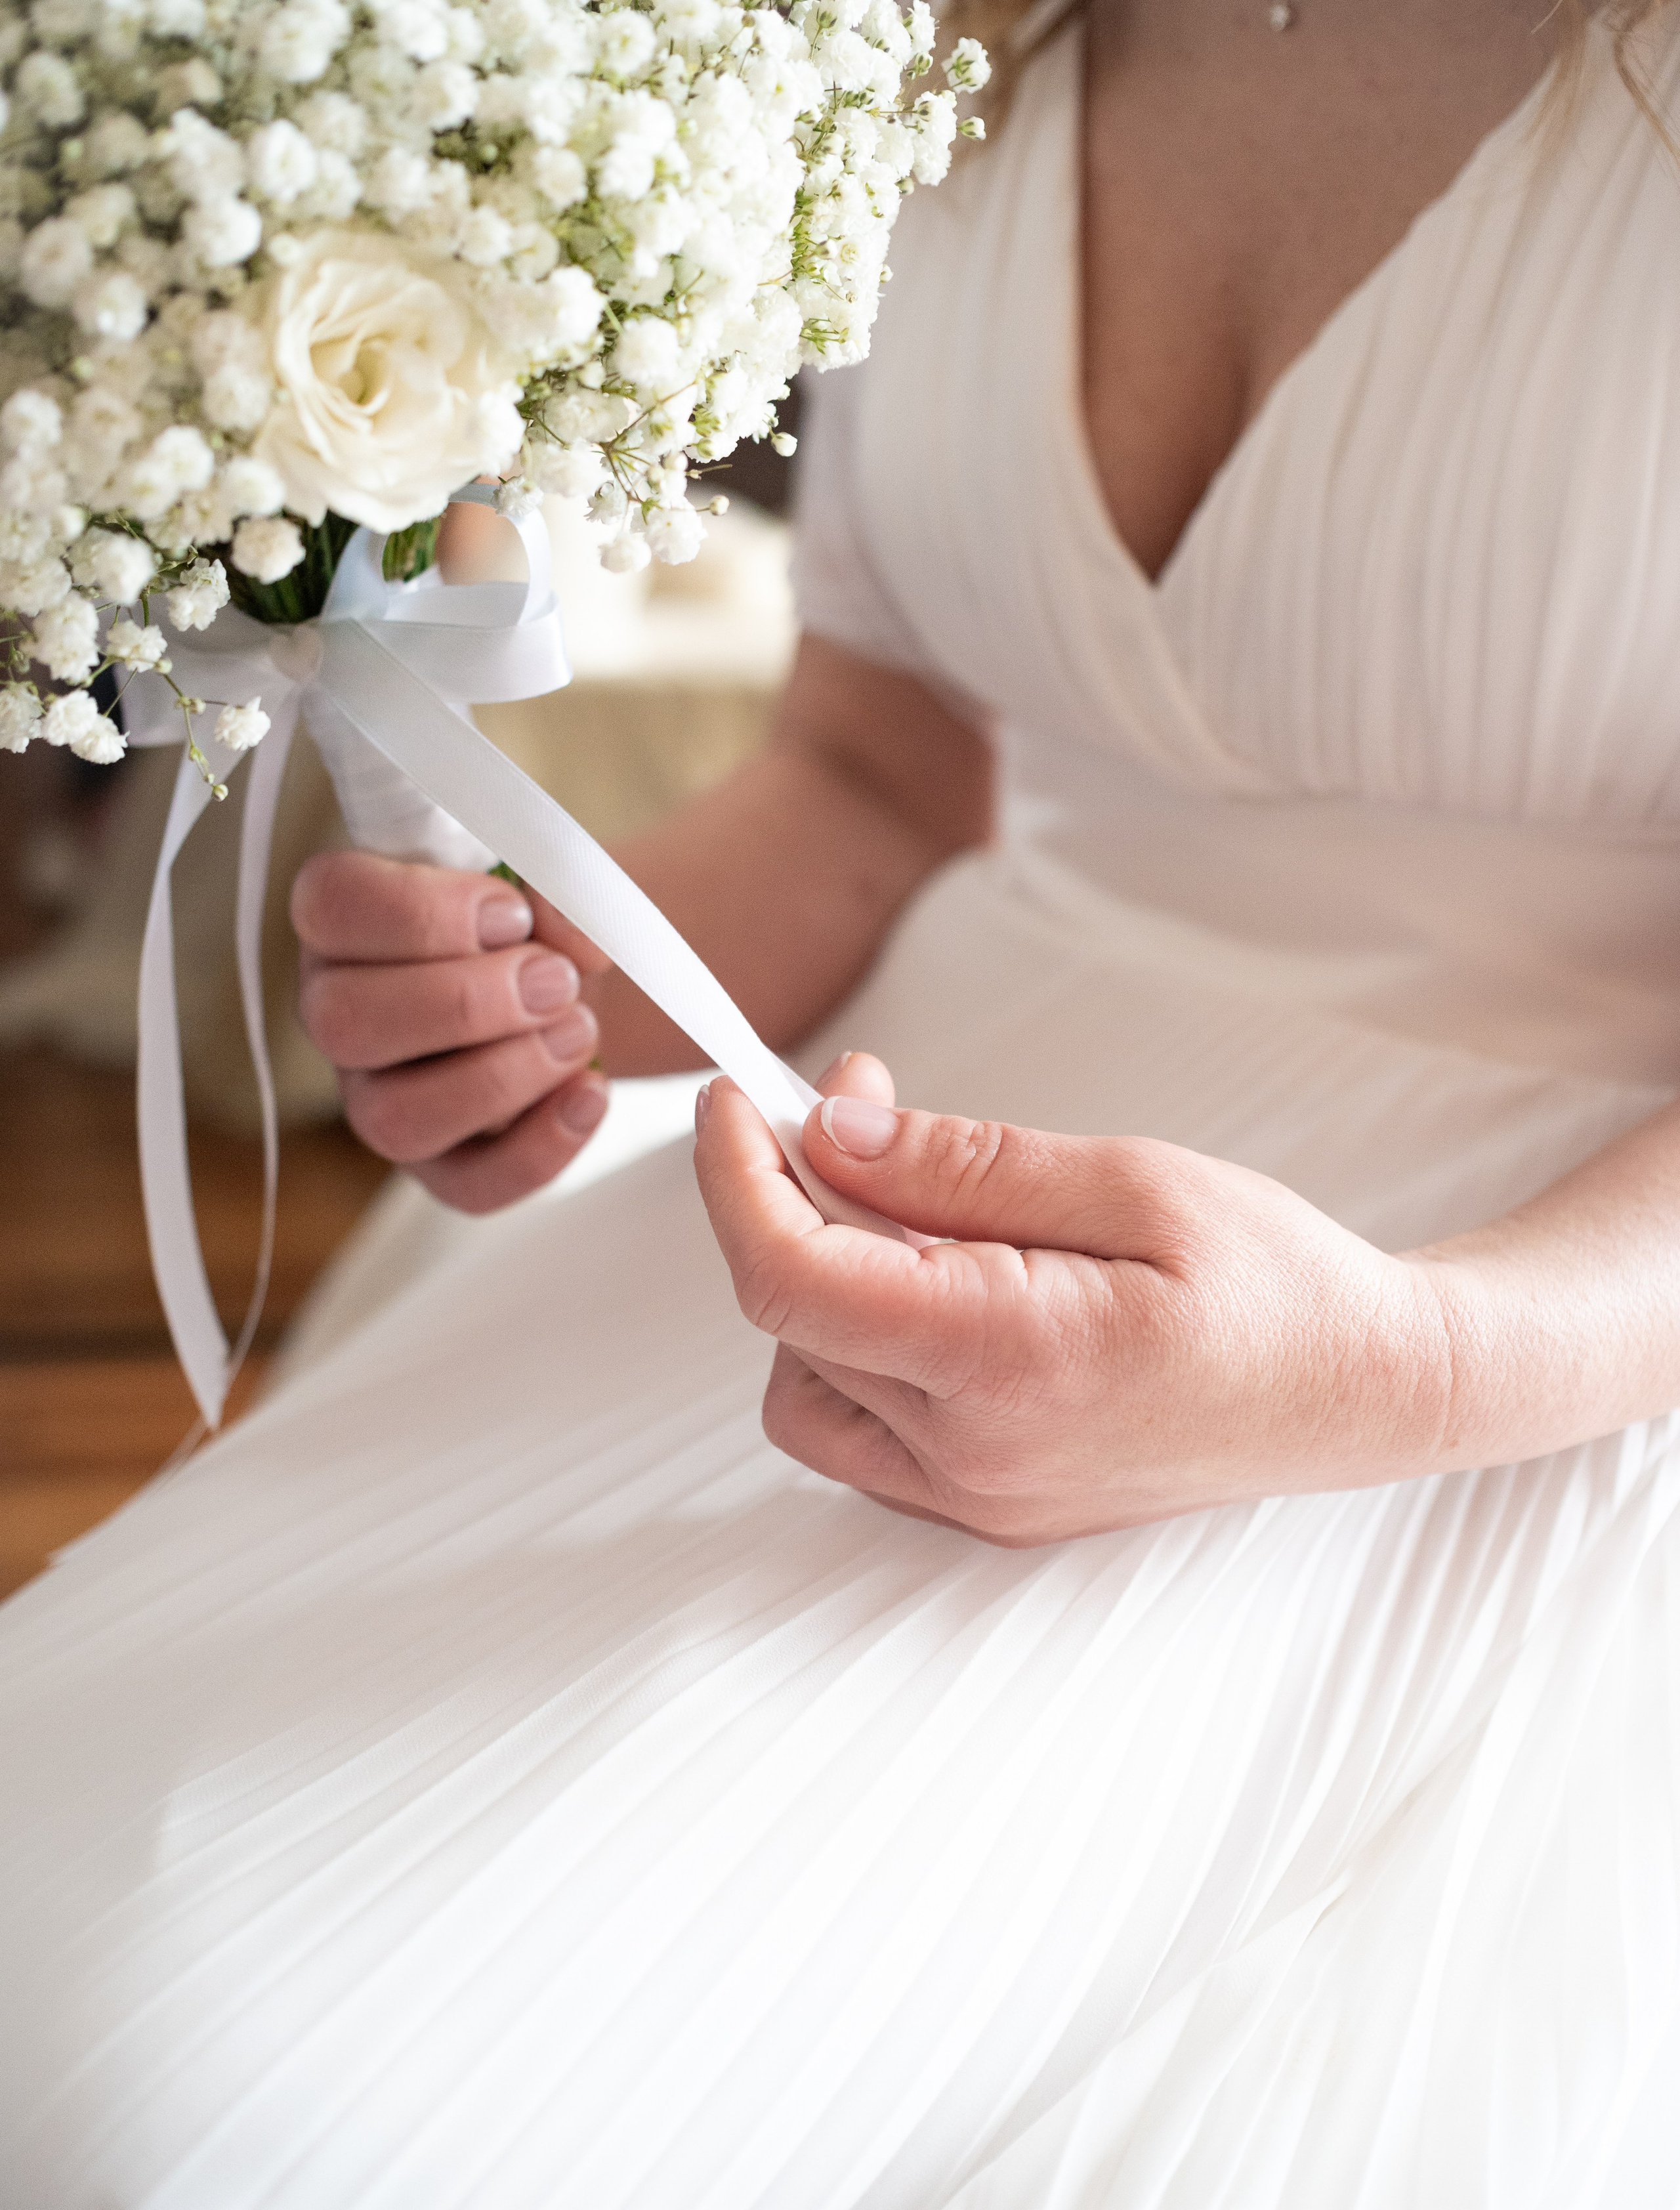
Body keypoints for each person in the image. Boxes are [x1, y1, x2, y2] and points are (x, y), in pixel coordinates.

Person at [5, 1, 1680, 2201]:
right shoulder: (925, 38)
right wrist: (549, 999)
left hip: (1542, 1325)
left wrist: (1399, 1359)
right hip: (859, 1196)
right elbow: (879, 777)